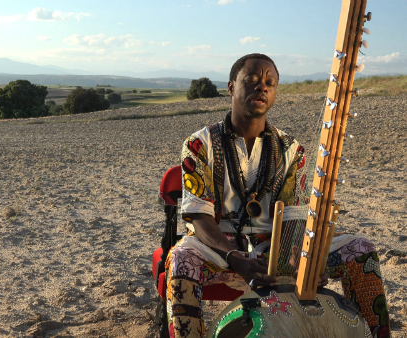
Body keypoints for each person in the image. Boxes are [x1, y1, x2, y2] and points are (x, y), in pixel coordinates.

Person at [165, 53, 390, 338]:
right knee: (180, 258)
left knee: (360, 249)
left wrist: (309, 260)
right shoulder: (199, 144)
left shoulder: (291, 149)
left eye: (270, 83)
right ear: (231, 86)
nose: (262, 87)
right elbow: (199, 217)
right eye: (252, 80)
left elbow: (294, 216)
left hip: (274, 248)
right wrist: (235, 256)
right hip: (218, 249)